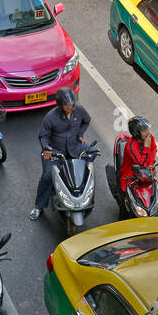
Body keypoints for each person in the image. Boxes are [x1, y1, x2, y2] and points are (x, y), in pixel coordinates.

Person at [29, 88, 91, 220]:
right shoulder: (50, 117)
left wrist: (80, 134)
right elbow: (43, 136)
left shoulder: (79, 110)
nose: (70, 107)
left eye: (71, 104)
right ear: (59, 104)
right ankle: (38, 206)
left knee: (91, 156)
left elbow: (87, 120)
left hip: (74, 148)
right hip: (55, 152)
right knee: (47, 177)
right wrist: (46, 148)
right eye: (67, 104)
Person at [118, 116, 157, 196]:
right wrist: (146, 147)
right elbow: (142, 164)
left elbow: (153, 150)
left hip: (145, 173)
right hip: (130, 174)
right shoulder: (131, 146)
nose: (147, 132)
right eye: (144, 130)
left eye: (147, 129)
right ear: (137, 133)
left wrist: (151, 165)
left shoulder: (149, 138)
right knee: (127, 195)